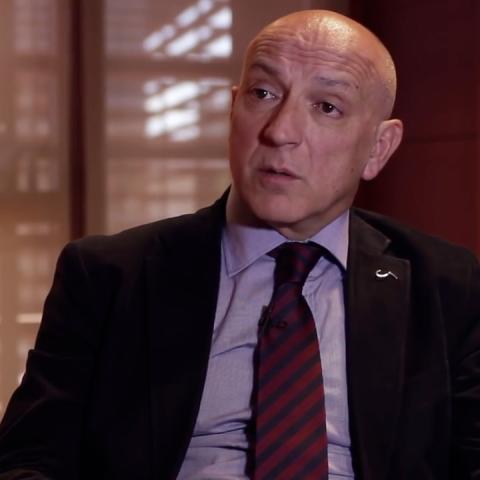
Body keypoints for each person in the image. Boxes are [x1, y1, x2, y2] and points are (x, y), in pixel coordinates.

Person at [0, 8, 479, 480]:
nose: (280, 131)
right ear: (233, 109)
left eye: (326, 107)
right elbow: (28, 461)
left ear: (378, 148)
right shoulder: (107, 276)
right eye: (263, 93)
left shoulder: (448, 286)